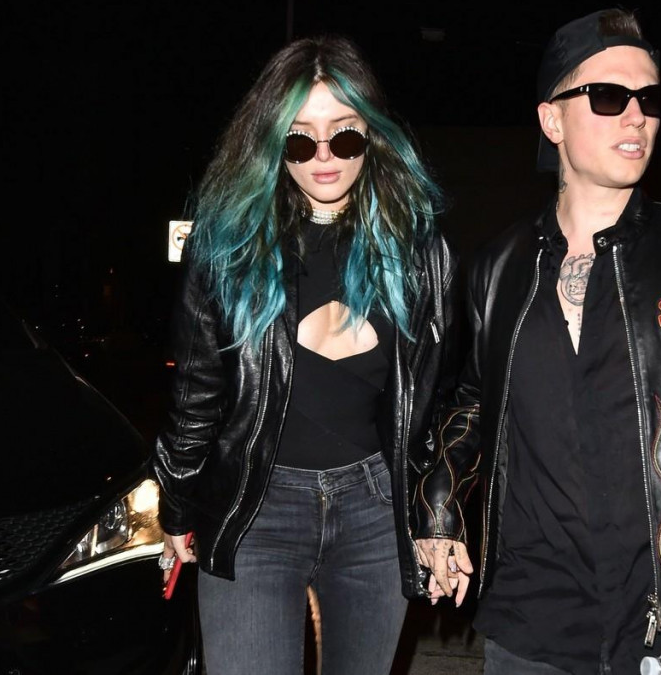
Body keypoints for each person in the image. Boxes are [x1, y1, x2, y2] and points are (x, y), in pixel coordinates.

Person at [413, 8, 661, 675]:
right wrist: (438, 509)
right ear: (552, 120)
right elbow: (470, 405)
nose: (636, 116)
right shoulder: (498, 266)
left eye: (651, 98)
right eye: (609, 97)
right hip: (526, 630)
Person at [151, 34, 458, 674]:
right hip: (256, 505)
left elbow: (435, 404)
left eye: (343, 136)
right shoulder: (228, 245)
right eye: (299, 140)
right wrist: (177, 506)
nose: (323, 156)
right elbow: (196, 392)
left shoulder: (417, 249)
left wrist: (437, 518)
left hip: (374, 508)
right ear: (273, 143)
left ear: (371, 136)